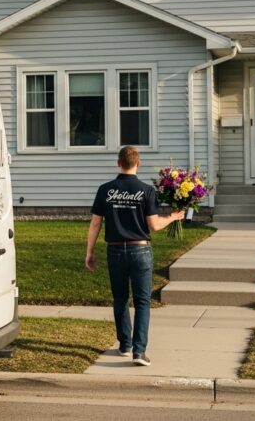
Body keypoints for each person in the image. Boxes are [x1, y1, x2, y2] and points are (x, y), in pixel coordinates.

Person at [85, 146, 184, 366]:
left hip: (115, 250)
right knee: (142, 301)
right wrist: (173, 217)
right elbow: (154, 225)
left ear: (118, 163)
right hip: (140, 251)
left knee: (120, 298)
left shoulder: (105, 189)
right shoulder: (147, 190)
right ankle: (139, 352)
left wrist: (90, 251)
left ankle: (124, 345)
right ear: (138, 164)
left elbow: (95, 222)